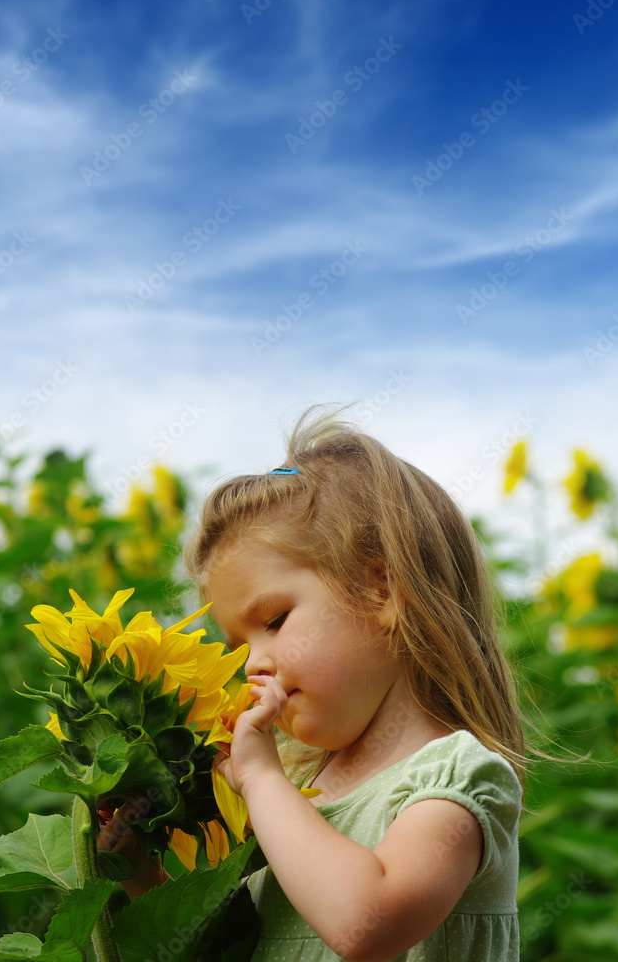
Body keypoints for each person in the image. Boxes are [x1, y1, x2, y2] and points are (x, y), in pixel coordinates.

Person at [100, 407, 528, 961]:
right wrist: (138, 872)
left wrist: (258, 779)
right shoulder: (299, 795)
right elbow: (236, 952)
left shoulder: (456, 780)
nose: (253, 665)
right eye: (238, 648)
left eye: (274, 621)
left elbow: (365, 925)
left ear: (381, 591)